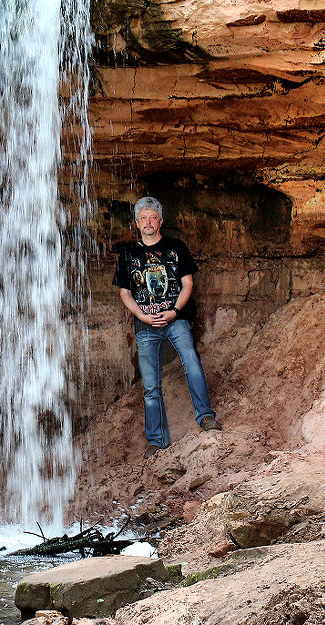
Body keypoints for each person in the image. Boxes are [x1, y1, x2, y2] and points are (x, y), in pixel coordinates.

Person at [112, 196, 222, 458]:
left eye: (152, 217)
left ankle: (206, 418)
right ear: (137, 224)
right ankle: (157, 441)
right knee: (151, 385)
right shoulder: (128, 255)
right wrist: (143, 316)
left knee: (192, 363)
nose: (148, 222)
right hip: (145, 325)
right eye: (143, 218)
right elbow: (125, 294)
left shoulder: (176, 247)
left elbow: (187, 284)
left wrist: (173, 312)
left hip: (175, 321)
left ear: (160, 221)